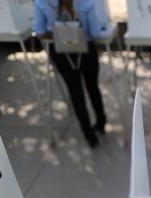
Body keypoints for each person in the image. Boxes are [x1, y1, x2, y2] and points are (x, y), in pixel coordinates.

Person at [33, 0, 107, 148]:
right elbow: (95, 32)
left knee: (75, 93)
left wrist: (59, 33)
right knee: (93, 88)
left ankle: (88, 134)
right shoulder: (86, 2)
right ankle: (101, 122)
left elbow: (39, 31)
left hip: (61, 53)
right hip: (86, 50)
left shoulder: (41, 2)